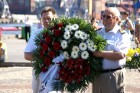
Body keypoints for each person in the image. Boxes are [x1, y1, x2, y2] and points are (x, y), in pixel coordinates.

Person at [92, 7, 131, 93]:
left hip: (113, 76)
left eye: (108, 17)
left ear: (117, 19)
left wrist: (100, 54)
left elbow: (121, 55)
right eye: (103, 16)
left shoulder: (122, 35)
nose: (105, 19)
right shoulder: (97, 33)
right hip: (97, 76)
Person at [24, 6, 57, 93]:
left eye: (49, 18)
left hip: (56, 73)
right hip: (40, 74)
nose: (46, 21)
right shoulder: (36, 34)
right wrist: (44, 57)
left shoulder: (62, 34)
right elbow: (26, 55)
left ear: (55, 18)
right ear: (41, 20)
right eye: (44, 18)